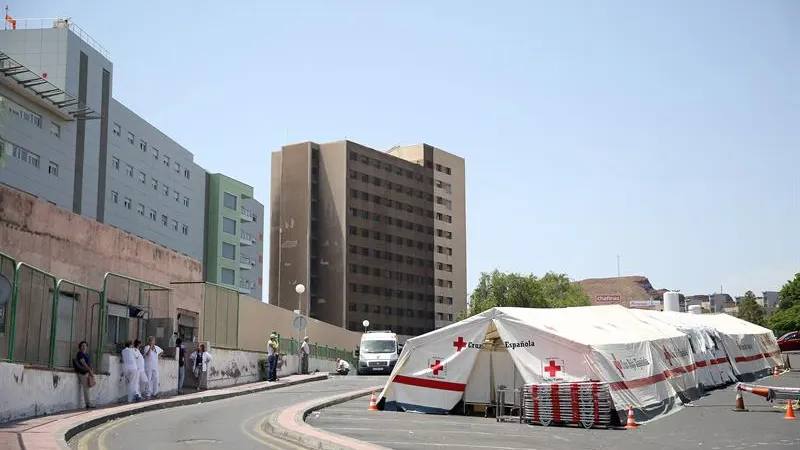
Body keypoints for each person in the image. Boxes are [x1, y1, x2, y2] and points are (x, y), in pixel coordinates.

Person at [73, 341, 96, 408]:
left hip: (87, 372)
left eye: (85, 346)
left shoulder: (86, 354)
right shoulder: (80, 354)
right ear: (80, 347)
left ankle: (88, 403)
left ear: (87, 347)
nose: (83, 347)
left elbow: (89, 363)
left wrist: (91, 370)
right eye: (82, 346)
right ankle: (88, 403)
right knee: (86, 388)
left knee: (87, 387)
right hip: (83, 372)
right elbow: (83, 363)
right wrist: (89, 370)